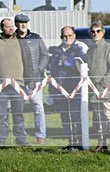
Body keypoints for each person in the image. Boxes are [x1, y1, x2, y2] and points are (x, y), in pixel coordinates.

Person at [48, 26, 86, 150]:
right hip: (60, 89)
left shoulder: (79, 49)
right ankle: (70, 141)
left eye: (70, 36)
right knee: (65, 117)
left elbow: (84, 63)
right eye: (65, 36)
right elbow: (53, 70)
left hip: (75, 88)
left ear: (74, 36)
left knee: (76, 115)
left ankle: (79, 142)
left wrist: (67, 60)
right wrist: (52, 90)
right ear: (61, 37)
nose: (67, 38)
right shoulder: (57, 51)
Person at [15, 14, 49, 144]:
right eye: (20, 23)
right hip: (18, 80)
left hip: (35, 80)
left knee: (38, 107)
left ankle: (41, 137)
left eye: (25, 22)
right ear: (16, 24)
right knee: (17, 109)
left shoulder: (36, 38)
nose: (23, 25)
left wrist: (39, 69)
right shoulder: (13, 39)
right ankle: (21, 138)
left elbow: (45, 54)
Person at [86, 23, 110, 152]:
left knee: (108, 114)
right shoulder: (90, 50)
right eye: (93, 32)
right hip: (93, 88)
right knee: (98, 116)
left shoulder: (109, 48)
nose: (95, 34)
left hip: (105, 88)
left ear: (103, 33)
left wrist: (103, 84)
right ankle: (101, 142)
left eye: (98, 31)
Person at [0, 18, 27, 146]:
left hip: (18, 84)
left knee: (18, 114)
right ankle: (1, 140)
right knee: (1, 115)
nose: (10, 28)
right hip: (1, 86)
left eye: (11, 26)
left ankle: (21, 140)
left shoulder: (20, 41)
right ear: (2, 28)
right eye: (7, 26)